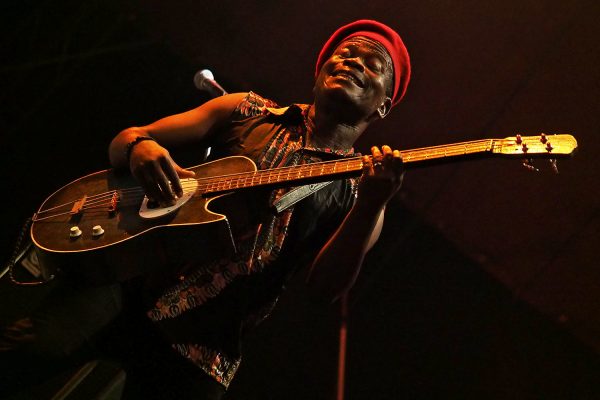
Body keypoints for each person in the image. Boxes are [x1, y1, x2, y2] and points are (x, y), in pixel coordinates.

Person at [0, 19, 411, 399]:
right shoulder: (245, 109)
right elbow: (129, 138)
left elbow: (324, 290)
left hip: (202, 351)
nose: (353, 60)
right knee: (20, 356)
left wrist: (374, 202)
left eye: (372, 63)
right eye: (344, 52)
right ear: (320, 72)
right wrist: (140, 148)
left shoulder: (362, 191)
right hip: (125, 282)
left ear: (383, 107)